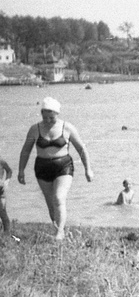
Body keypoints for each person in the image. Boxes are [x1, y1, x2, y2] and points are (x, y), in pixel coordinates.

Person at [17, 96, 94, 240]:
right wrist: (21, 171)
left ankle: (59, 234)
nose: (47, 121)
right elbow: (25, 150)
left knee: (59, 198)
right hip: (42, 167)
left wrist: (88, 169)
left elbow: (81, 149)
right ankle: (59, 230)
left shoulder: (68, 127)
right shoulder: (35, 129)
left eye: (51, 118)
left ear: (57, 114)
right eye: (45, 117)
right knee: (51, 203)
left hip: (63, 166)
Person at [0, 157, 12, 235]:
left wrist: (7, 181)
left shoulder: (2, 162)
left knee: (3, 212)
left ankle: (7, 234)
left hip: (1, 190)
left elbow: (9, 171)